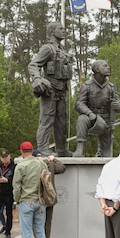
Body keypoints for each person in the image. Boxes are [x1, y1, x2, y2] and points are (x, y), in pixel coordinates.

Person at [28, 21, 74, 157]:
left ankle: (61, 149)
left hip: (62, 91)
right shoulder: (48, 48)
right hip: (51, 90)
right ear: (52, 32)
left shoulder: (62, 50)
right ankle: (42, 148)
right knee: (46, 121)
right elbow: (33, 64)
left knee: (61, 123)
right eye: (60, 28)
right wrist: (37, 78)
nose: (64, 30)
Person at [73, 59, 120, 157]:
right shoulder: (87, 86)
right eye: (105, 66)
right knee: (82, 119)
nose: (108, 68)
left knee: (106, 155)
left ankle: (102, 153)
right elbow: (79, 104)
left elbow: (119, 107)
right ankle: (80, 149)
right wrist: (90, 114)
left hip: (106, 121)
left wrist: (118, 106)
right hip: (91, 117)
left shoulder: (111, 87)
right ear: (96, 69)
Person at [13, 141, 47, 238]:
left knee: (26, 234)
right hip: (40, 201)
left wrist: (17, 200)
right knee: (40, 232)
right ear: (32, 151)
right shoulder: (42, 164)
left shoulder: (20, 166)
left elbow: (17, 186)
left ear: (21, 151)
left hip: (26, 202)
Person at [33, 149, 66, 238]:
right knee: (47, 224)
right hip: (50, 198)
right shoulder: (49, 165)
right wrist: (54, 159)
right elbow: (62, 168)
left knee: (36, 224)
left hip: (38, 199)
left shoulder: (32, 166)